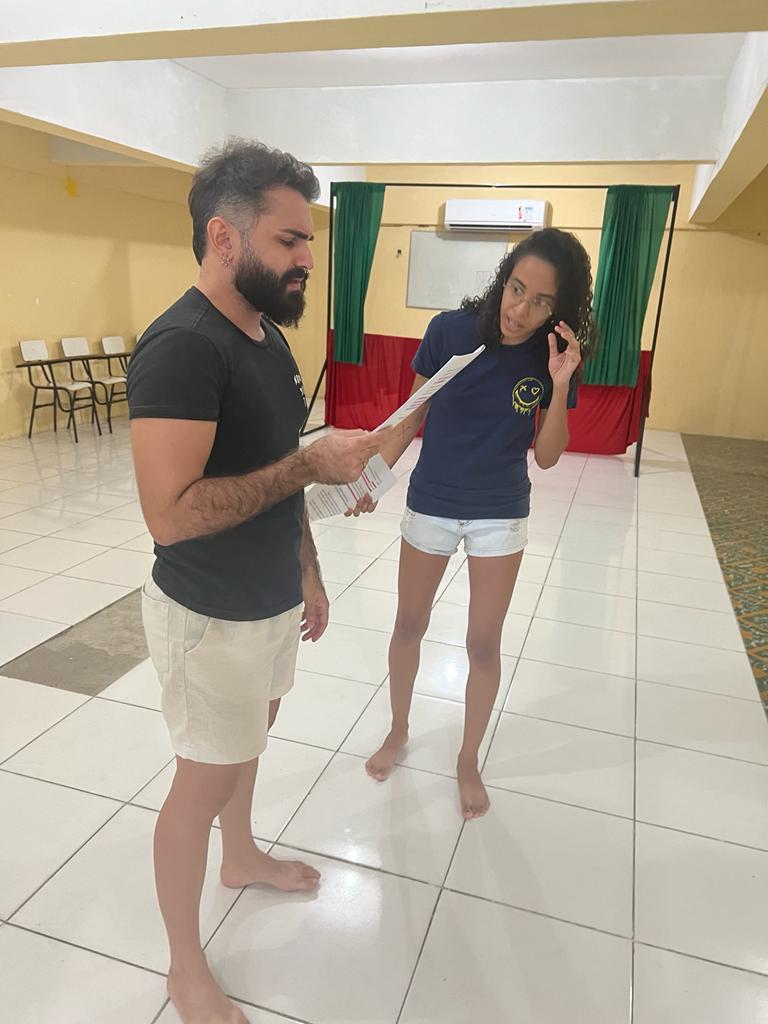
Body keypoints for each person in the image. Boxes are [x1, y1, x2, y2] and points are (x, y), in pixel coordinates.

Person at [127, 140, 384, 1024]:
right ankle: (183, 965)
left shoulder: (267, 337)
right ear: (224, 237)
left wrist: (306, 567)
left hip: (268, 597)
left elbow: (275, 467)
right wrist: (309, 465)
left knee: (248, 746)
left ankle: (239, 857)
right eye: (289, 240)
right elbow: (170, 515)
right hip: (208, 616)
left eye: (308, 240)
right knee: (199, 784)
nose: (307, 258)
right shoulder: (182, 349)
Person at [357, 228, 596, 821]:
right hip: (432, 502)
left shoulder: (549, 357)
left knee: (483, 643)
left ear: (558, 310)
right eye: (516, 289)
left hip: (500, 512)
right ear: (502, 280)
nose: (521, 310)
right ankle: (398, 729)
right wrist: (370, 482)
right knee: (408, 624)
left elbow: (547, 457)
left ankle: (468, 758)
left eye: (540, 302)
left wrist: (560, 383)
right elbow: (409, 419)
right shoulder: (449, 332)